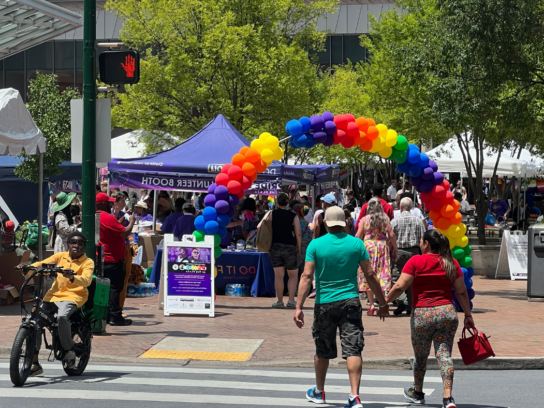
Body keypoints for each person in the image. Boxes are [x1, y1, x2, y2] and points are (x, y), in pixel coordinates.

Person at [294, 206, 389, 408]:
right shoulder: (356, 244)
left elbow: (306, 276)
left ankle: (319, 392)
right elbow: (370, 275)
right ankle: (354, 396)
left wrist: (298, 306)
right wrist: (382, 302)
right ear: (345, 222)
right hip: (351, 301)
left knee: (322, 349)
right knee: (353, 348)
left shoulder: (315, 245)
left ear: (325, 223)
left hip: (324, 302)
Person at [385, 229, 473, 408]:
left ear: (426, 244)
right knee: (444, 354)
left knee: (421, 356)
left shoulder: (416, 261)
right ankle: (448, 398)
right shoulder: (450, 262)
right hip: (446, 313)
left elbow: (401, 285)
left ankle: (418, 393)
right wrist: (468, 315)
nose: (419, 243)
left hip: (422, 315)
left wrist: (384, 301)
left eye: (421, 241)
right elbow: (461, 291)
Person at [19, 231, 94, 376]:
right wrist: (27, 268)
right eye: (73, 242)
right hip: (53, 296)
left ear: (84, 246)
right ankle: (34, 363)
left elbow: (87, 280)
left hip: (74, 296)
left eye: (80, 243)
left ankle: (69, 351)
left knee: (61, 318)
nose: (76, 245)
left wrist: (72, 277)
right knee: (36, 322)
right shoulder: (60, 257)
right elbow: (43, 264)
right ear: (68, 244)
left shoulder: (87, 262)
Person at [96, 192, 135, 326]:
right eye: (109, 202)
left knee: (104, 288)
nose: (112, 203)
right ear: (103, 204)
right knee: (115, 288)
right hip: (112, 258)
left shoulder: (96, 217)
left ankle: (105, 315)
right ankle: (115, 317)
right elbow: (124, 233)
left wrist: (123, 217)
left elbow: (112, 229)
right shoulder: (107, 218)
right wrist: (131, 222)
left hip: (100, 258)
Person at [356, 198, 398, 316]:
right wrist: (395, 248)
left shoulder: (364, 219)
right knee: (382, 273)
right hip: (382, 247)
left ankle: (371, 305)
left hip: (368, 247)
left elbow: (358, 235)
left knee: (369, 273)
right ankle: (381, 302)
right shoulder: (385, 219)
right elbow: (391, 235)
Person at [263, 192, 301, 309]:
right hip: (289, 246)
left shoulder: (271, 214)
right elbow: (298, 233)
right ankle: (291, 300)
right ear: (288, 202)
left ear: (277, 202)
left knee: (278, 275)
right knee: (293, 275)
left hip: (274, 246)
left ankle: (279, 301)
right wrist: (298, 245)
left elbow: (261, 226)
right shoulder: (293, 215)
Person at [390, 197, 425, 315]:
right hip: (414, 252)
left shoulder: (394, 221)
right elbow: (423, 238)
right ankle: (410, 305)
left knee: (396, 277)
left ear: (400, 206)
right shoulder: (418, 221)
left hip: (399, 252)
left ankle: (402, 301)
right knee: (411, 279)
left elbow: (390, 237)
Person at [293, 203, 313, 280]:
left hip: (300, 246)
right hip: (307, 247)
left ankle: (296, 289)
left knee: (295, 269)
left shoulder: (297, 224)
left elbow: (298, 235)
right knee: (303, 270)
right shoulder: (308, 224)